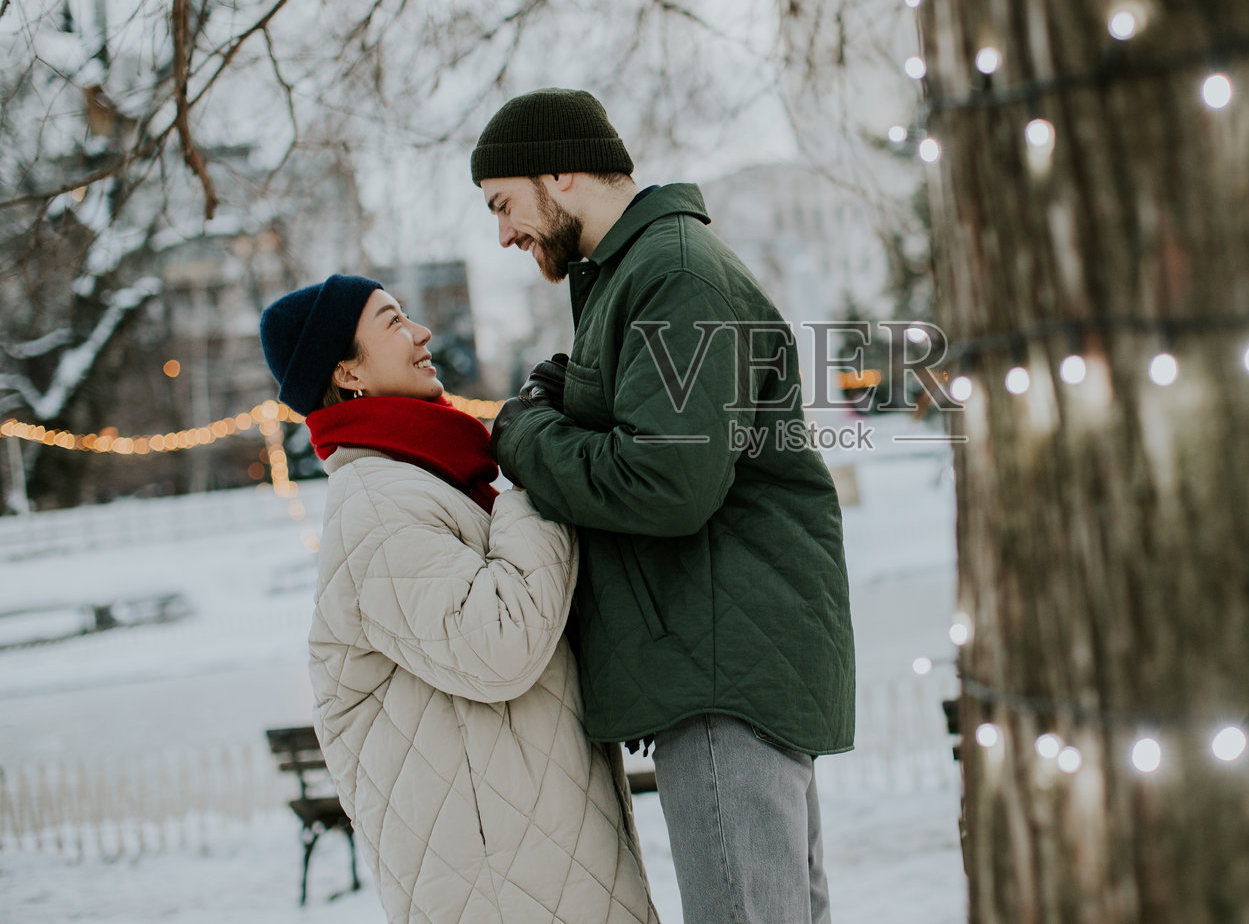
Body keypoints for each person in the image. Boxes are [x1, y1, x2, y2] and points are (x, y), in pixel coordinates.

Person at [472, 89, 856, 924]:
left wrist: (524, 434)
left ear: (561, 173)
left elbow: (666, 481)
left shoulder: (673, 274)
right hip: (723, 650)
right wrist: (567, 393)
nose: (503, 232)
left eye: (504, 203)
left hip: (722, 664)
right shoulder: (635, 276)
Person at [258, 273, 657, 924]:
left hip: (534, 872)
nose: (421, 333)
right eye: (391, 321)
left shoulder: (431, 480)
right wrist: (537, 470)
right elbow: (500, 643)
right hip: (507, 892)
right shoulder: (379, 507)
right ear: (348, 369)